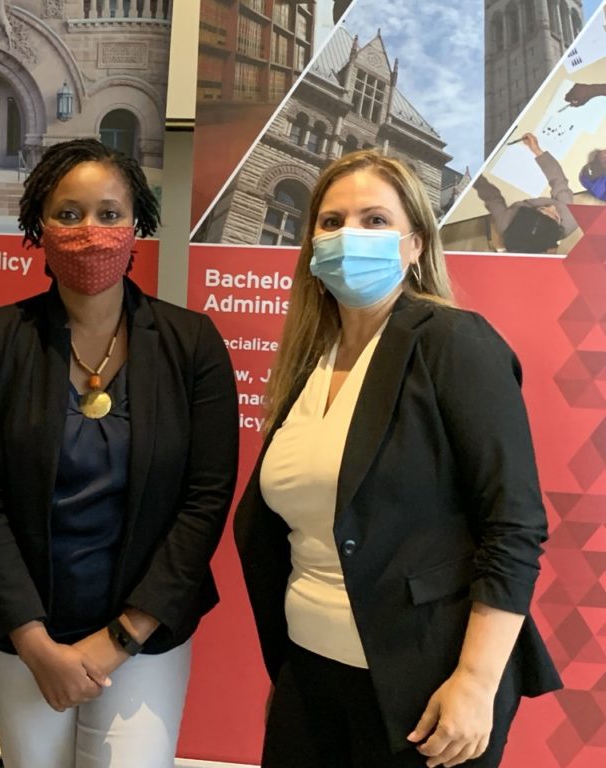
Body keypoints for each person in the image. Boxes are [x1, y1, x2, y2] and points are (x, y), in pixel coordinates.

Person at [234, 150, 561, 768]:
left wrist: (476, 681)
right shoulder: (310, 363)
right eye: (330, 222)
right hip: (310, 680)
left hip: (425, 690)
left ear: (415, 245)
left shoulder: (454, 343)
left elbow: (513, 527)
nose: (347, 235)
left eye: (374, 220)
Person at [0, 138, 239, 768]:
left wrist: (120, 639)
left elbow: (205, 501)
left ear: (138, 226)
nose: (91, 231)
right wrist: (35, 642)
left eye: (109, 214)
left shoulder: (192, 344)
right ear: (39, 228)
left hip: (146, 632)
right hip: (22, 636)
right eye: (69, 213)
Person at [473, 133, 578, 254]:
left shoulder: (505, 223)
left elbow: (492, 197)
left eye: (544, 210)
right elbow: (558, 180)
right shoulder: (570, 215)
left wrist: (474, 178)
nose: (553, 207)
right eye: (553, 216)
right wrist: (537, 150)